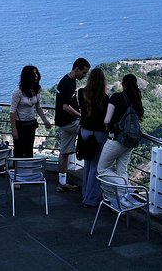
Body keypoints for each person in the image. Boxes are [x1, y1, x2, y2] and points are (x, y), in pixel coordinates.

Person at [97, 73, 145, 208]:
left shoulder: (116, 97)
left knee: (102, 169)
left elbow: (107, 120)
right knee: (122, 170)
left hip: (116, 139)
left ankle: (126, 189)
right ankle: (123, 200)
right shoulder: (136, 99)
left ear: (123, 84)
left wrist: (109, 126)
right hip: (130, 141)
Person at [54, 57, 90, 193]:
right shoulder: (68, 83)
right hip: (69, 122)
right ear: (77, 69)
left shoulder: (67, 80)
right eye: (84, 72)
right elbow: (66, 106)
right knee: (91, 133)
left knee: (64, 152)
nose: (84, 75)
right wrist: (82, 116)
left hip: (63, 122)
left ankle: (62, 182)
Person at [77, 68, 109, 207]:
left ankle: (85, 193)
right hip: (99, 134)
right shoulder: (105, 98)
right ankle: (90, 199)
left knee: (88, 164)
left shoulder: (80, 93)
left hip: (85, 132)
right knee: (95, 167)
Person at [10, 65, 52, 158]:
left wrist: (45, 121)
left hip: (31, 124)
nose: (36, 75)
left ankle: (28, 171)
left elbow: (38, 107)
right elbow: (12, 111)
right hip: (20, 125)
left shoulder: (36, 89)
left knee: (29, 149)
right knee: (19, 150)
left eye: (36, 73)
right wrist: (14, 129)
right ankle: (18, 171)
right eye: (33, 74)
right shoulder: (18, 91)